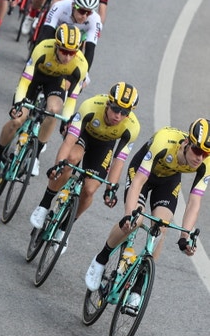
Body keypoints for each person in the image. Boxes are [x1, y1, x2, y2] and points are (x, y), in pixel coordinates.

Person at [84, 119, 210, 303]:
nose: (200, 158)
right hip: (142, 173)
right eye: (197, 151)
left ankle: (138, 287)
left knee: (161, 228)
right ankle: (100, 259)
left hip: (168, 181)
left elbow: (194, 202)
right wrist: (129, 215)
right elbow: (138, 182)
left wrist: (185, 236)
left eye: (206, 154)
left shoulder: (206, 163)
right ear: (186, 143)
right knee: (135, 221)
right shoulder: (164, 141)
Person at [29, 83, 141, 237]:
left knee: (89, 190)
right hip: (84, 135)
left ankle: (65, 228)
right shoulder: (90, 106)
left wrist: (110, 189)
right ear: (108, 103)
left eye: (124, 112)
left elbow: (119, 160)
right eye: (116, 109)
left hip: (104, 146)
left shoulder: (132, 127)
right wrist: (58, 165)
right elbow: (69, 141)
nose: (118, 116)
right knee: (71, 159)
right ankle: (44, 205)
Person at [0, 24, 88, 184]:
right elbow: (25, 82)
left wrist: (66, 121)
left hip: (55, 81)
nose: (67, 57)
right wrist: (18, 104)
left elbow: (72, 97)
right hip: (34, 78)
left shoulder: (81, 63)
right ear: (56, 46)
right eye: (64, 51)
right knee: (17, 120)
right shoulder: (43, 49)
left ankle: (36, 155)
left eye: (72, 53)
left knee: (54, 110)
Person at [34, 0, 102, 69]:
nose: (84, 16)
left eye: (89, 12)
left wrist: (85, 73)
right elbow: (45, 36)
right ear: (74, 5)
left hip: (77, 38)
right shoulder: (60, 6)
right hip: (56, 32)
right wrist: (35, 61)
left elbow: (90, 50)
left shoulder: (95, 19)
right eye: (82, 11)